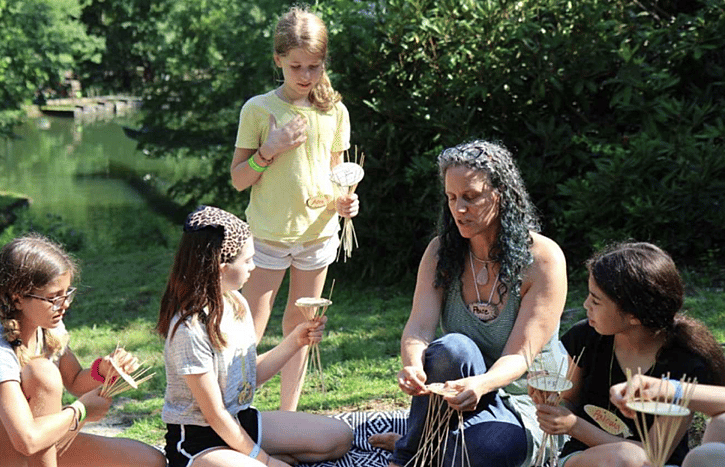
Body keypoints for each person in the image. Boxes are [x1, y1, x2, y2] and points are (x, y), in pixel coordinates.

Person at [369, 140, 569, 467]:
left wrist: (482, 383)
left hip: (524, 404)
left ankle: (426, 445)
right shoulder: (441, 252)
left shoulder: (542, 260)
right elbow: (419, 328)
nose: (459, 208)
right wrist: (413, 365)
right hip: (460, 396)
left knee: (477, 452)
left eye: (471, 197)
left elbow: (520, 356)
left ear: (500, 194)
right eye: (451, 198)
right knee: (453, 349)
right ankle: (409, 455)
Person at [230, 6, 360, 411]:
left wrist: (345, 202)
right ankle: (236, 411)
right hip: (267, 237)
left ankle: (288, 415)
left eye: (314, 67)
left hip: (318, 237)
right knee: (250, 329)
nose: (305, 76)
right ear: (278, 61)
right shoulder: (258, 109)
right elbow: (238, 178)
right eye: (296, 67)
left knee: (302, 327)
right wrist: (270, 149)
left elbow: (336, 173)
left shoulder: (335, 112)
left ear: (325, 64)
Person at [156, 206, 352, 467]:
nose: (254, 266)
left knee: (339, 437)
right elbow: (214, 415)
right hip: (199, 440)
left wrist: (296, 340)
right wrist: (267, 461)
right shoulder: (188, 329)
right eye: (247, 260)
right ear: (222, 267)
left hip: (240, 421)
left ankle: (244, 456)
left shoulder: (236, 302)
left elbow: (248, 377)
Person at [0, 233, 166, 467]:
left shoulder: (48, 326)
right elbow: (26, 440)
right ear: (17, 299)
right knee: (41, 372)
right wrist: (80, 411)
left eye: (67, 293)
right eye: (53, 298)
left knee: (150, 461)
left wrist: (103, 370)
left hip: (34, 444)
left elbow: (75, 381)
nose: (64, 304)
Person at [532, 242, 725, 467]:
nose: (585, 305)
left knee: (627, 457)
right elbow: (570, 401)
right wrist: (553, 407)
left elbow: (654, 455)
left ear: (634, 315)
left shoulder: (685, 363)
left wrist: (574, 426)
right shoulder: (586, 337)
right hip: (583, 457)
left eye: (596, 300)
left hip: (656, 462)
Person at [611, 371, 725, 466]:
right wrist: (672, 389)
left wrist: (674, 390)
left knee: (707, 455)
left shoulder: (688, 363)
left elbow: (651, 454)